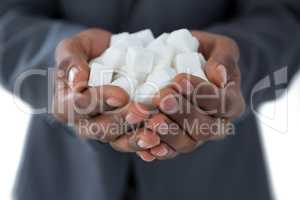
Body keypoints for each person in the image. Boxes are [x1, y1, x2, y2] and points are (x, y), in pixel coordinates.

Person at [0, 0, 299, 199]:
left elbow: (285, 16)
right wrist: (64, 72)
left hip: (218, 178)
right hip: (63, 177)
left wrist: (229, 71)